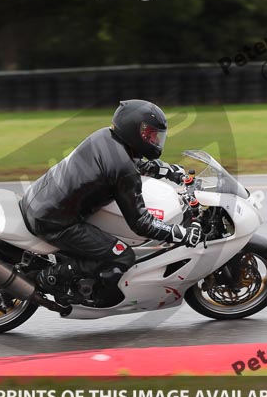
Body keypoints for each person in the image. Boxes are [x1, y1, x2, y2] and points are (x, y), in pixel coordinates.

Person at [19, 99, 203, 306]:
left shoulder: (105, 137)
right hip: (54, 222)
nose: (155, 140)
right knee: (122, 256)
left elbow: (133, 163)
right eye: (150, 135)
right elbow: (141, 223)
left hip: (39, 200)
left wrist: (169, 171)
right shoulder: (124, 170)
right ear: (133, 130)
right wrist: (181, 234)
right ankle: (51, 277)